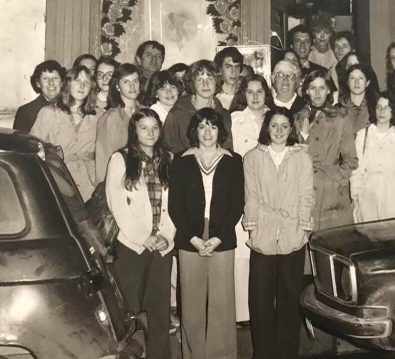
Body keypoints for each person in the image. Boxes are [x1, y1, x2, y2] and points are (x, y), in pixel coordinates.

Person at [169, 108, 244, 359]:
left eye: (212, 126)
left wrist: (218, 237)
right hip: (190, 237)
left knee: (223, 302)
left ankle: (222, 355)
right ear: (194, 131)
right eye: (202, 126)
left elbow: (237, 204)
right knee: (191, 303)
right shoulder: (181, 160)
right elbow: (175, 206)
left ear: (220, 131)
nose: (208, 132)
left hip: (221, 236)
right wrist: (192, 237)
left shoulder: (234, 160)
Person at [243, 106, 315, 359]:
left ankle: (286, 353)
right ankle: (262, 353)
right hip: (263, 236)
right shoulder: (252, 157)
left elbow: (307, 195)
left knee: (289, 298)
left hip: (292, 236)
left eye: (285, 126)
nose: (279, 131)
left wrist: (302, 227)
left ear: (291, 130)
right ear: (267, 128)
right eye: (274, 125)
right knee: (260, 300)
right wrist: (252, 228)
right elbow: (250, 195)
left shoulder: (301, 157)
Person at [105, 108, 175, 359]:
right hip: (131, 245)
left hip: (161, 246)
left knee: (158, 311)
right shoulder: (120, 159)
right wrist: (143, 237)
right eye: (144, 128)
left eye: (155, 127)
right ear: (134, 131)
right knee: (129, 310)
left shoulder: (168, 158)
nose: (150, 133)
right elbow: (118, 205)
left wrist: (166, 235)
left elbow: (174, 203)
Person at [229, 73, 273, 326]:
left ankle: (266, 309)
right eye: (250, 92)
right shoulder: (235, 120)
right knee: (243, 250)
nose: (255, 96)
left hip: (272, 192)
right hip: (245, 189)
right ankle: (243, 313)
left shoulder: (274, 119)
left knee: (268, 250)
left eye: (260, 91)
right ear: (243, 95)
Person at [295, 68, 357, 230]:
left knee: (334, 245)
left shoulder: (341, 118)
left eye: (322, 88)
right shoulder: (297, 118)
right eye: (313, 88)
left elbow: (351, 160)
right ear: (306, 90)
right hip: (305, 191)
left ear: (328, 90)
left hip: (333, 193)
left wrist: (336, 181)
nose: (317, 93)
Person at [31, 65, 98, 201]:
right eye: (77, 81)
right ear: (68, 83)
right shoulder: (49, 113)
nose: (82, 86)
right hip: (58, 181)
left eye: (86, 82)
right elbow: (33, 148)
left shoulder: (98, 116)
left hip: (89, 185)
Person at [350, 92, 395, 222]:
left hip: (391, 197)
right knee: (370, 235)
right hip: (368, 196)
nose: (382, 111)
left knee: (391, 236)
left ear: (393, 111)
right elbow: (357, 171)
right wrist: (356, 198)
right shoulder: (362, 136)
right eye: (379, 107)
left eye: (387, 107)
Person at [163, 59, 233, 154]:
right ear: (192, 83)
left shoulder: (224, 115)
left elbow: (227, 149)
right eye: (200, 80)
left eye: (210, 79)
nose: (205, 84)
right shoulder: (177, 114)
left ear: (217, 82)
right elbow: (167, 150)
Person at [95, 63, 141, 184]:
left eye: (135, 81)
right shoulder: (110, 118)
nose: (132, 86)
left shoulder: (146, 113)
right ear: (117, 86)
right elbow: (104, 161)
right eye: (126, 82)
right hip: (121, 180)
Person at [14, 60, 66, 132]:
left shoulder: (71, 108)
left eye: (55, 78)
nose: (51, 83)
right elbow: (20, 142)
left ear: (62, 82)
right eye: (45, 79)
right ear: (38, 83)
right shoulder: (25, 112)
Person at [339, 62, 379, 135]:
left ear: (367, 83)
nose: (356, 82)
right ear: (347, 82)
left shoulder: (376, 108)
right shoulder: (339, 109)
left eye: (360, 78)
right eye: (352, 78)